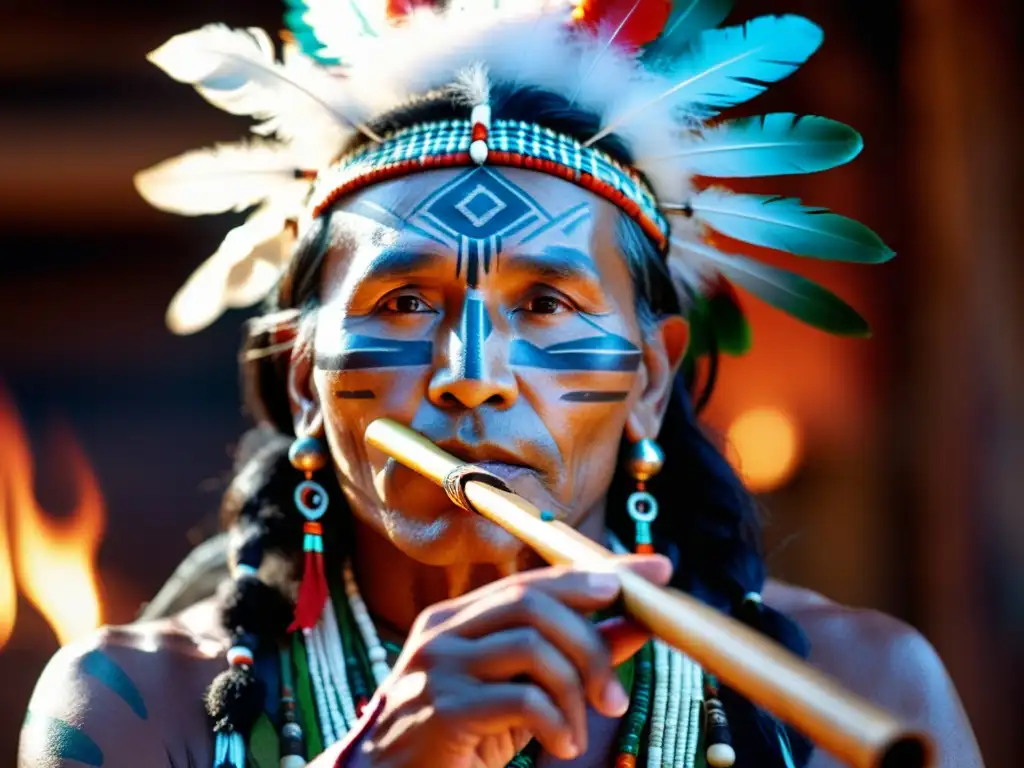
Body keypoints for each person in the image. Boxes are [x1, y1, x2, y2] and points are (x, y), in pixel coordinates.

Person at [19, 1, 983, 766]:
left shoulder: (868, 691)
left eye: (548, 304)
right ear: (304, 378)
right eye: (403, 302)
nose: (471, 376)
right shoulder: (130, 712)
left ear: (652, 378)